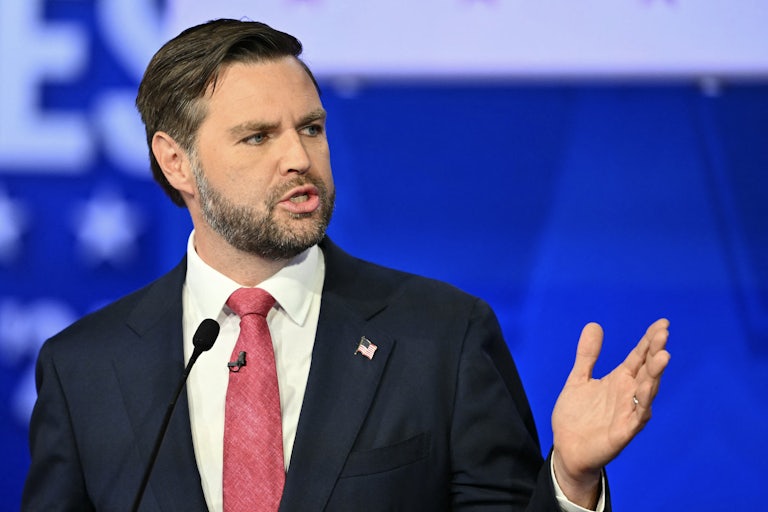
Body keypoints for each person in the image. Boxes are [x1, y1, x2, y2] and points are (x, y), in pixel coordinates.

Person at [22, 18, 670, 512]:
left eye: (310, 128)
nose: (299, 158)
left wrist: (570, 481)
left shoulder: (442, 337)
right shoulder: (84, 369)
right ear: (175, 162)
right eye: (257, 137)